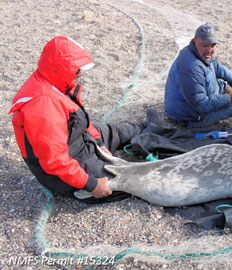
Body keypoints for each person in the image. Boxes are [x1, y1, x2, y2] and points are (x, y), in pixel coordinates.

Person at [9, 36, 157, 202]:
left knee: (116, 130)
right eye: (77, 70)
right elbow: (55, 160)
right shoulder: (43, 105)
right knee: (130, 182)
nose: (80, 74)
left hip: (79, 140)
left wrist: (99, 142)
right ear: (60, 69)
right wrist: (92, 184)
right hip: (68, 166)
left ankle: (148, 128)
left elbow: (82, 121)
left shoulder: (55, 81)